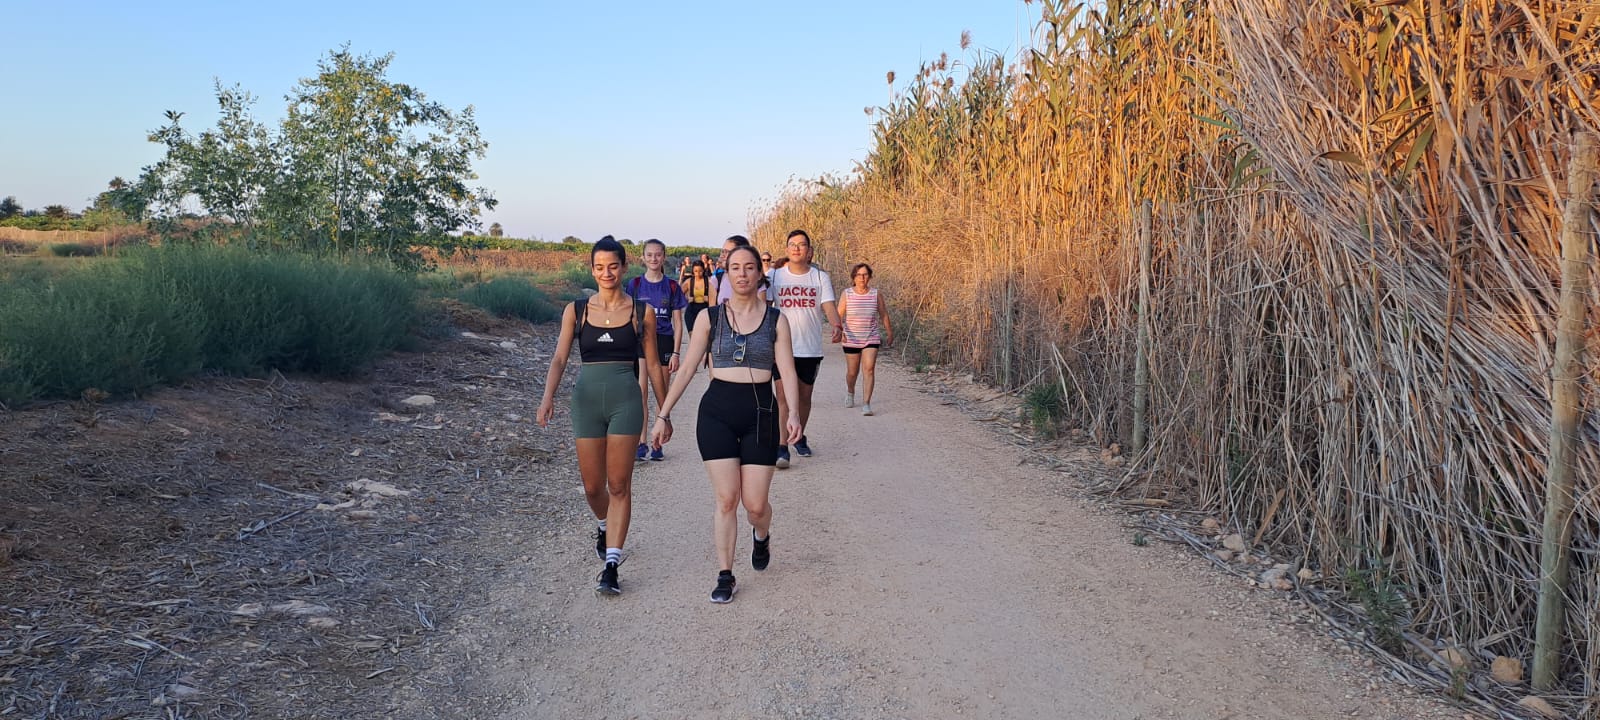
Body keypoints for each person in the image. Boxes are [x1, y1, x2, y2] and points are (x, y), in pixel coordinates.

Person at [649, 244, 803, 603]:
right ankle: (725, 574)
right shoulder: (710, 318)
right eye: (736, 268)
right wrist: (663, 414)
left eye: (750, 267)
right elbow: (687, 369)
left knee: (755, 505)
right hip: (717, 410)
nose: (743, 274)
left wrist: (792, 411)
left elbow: (788, 370)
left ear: (758, 274)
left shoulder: (776, 319)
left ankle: (761, 536)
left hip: (761, 413)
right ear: (727, 273)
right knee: (726, 498)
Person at [536, 237, 667, 597]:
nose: (607, 273)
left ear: (625, 268)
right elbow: (561, 358)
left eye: (613, 266)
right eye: (599, 267)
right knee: (594, 487)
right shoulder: (576, 310)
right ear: (592, 270)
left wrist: (664, 412)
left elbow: (653, 365)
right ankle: (602, 523)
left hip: (626, 400)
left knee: (619, 484)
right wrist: (548, 397)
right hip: (586, 401)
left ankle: (611, 564)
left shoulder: (642, 313)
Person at [765, 229, 840, 468]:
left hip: (810, 347)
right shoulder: (775, 276)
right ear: (787, 249)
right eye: (792, 244)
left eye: (802, 245)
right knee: (784, 398)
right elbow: (765, 306)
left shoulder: (819, 278)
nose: (797, 248)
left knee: (805, 397)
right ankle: (782, 446)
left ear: (809, 251)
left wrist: (837, 324)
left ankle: (798, 435)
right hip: (781, 346)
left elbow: (828, 305)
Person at [628, 239, 687, 461]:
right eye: (649, 255)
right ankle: (641, 442)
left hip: (663, 339)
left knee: (661, 392)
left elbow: (678, 323)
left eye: (658, 255)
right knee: (641, 391)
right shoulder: (634, 285)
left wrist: (676, 352)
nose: (654, 259)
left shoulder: (672, 286)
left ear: (664, 257)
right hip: (641, 340)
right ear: (643, 257)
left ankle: (658, 440)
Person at [839, 263, 893, 416]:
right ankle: (850, 392)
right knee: (852, 372)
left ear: (869, 276)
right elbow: (839, 314)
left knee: (869, 369)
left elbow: (883, 314)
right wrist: (839, 329)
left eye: (865, 274)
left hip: (871, 337)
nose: (862, 278)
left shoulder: (875, 294)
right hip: (851, 337)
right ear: (853, 277)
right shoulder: (847, 294)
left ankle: (866, 403)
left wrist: (889, 332)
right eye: (858, 275)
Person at [714, 235, 752, 306]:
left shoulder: (754, 281)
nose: (722, 255)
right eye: (722, 251)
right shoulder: (717, 279)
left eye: (727, 252)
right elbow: (712, 313)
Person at [683, 260, 713, 334]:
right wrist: (687, 298)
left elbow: (714, 298)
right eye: (695, 271)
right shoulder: (689, 281)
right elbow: (678, 296)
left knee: (703, 335)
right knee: (692, 335)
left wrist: (709, 299)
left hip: (704, 309)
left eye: (700, 271)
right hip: (692, 309)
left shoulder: (709, 281)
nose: (698, 273)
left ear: (703, 270)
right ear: (693, 271)